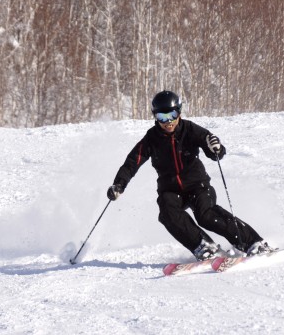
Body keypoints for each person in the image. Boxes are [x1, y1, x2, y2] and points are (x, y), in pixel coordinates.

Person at [107, 90, 273, 261]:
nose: (168, 122)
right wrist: (119, 184)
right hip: (170, 189)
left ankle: (253, 242)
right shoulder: (152, 138)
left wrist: (215, 148)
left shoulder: (190, 129)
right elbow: (133, 161)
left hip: (197, 185)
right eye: (162, 117)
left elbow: (211, 145)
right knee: (167, 212)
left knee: (205, 214)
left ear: (179, 112)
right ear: (155, 117)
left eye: (172, 115)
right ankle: (204, 246)